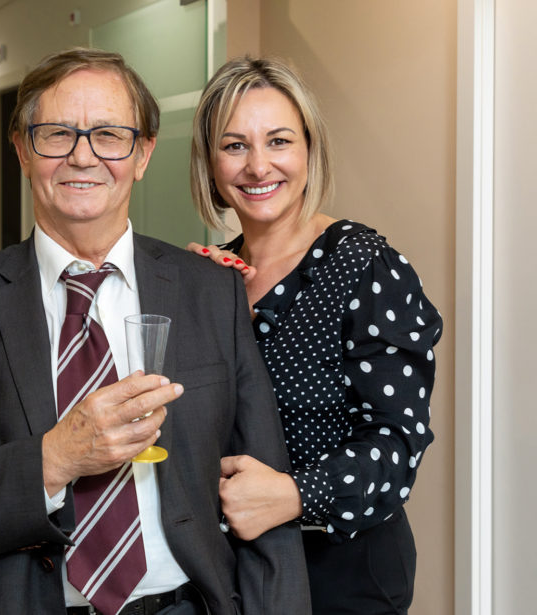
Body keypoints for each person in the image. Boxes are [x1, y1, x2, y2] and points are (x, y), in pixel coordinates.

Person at [0, 48, 310, 615]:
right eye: (57, 134)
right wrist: (53, 459)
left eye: (109, 135)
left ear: (143, 153)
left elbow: (266, 505)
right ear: (22, 150)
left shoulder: (211, 290)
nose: (83, 157)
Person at [187, 56, 443, 615]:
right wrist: (191, 307)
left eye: (278, 141)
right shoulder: (212, 277)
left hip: (341, 572)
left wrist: (295, 494)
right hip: (234, 571)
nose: (258, 166)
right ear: (209, 162)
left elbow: (398, 442)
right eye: (234, 146)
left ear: (309, 148)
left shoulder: (365, 266)